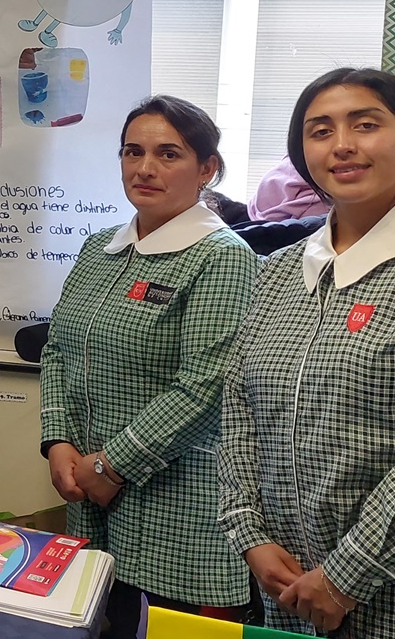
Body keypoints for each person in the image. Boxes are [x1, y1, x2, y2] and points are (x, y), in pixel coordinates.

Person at [218, 67, 395, 637]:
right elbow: (238, 409)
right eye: (319, 131)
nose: (341, 145)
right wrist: (250, 535)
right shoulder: (278, 271)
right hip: (288, 588)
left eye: (365, 124)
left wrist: (345, 575)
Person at [39, 95, 258, 638]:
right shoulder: (99, 249)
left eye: (169, 154)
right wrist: (58, 441)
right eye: (132, 152)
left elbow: (206, 387)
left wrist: (110, 466)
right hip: (90, 494)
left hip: (178, 502)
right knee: (97, 626)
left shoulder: (221, 257)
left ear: (207, 169)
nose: (145, 168)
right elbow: (58, 351)